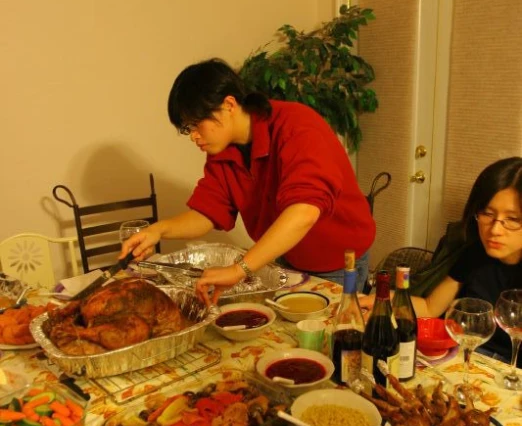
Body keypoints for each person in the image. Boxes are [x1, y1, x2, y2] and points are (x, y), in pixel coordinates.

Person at [122, 58, 375, 304]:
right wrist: (158, 230)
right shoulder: (222, 152)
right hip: (290, 257)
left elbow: (304, 212)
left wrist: (239, 269)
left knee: (333, 339)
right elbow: (207, 212)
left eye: (196, 124)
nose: (194, 136)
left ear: (229, 105)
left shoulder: (297, 126)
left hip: (338, 260)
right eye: (188, 129)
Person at [360, 157, 522, 365]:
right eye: (487, 214)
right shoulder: (475, 252)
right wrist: (378, 301)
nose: (495, 230)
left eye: (513, 219)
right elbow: (430, 307)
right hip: (464, 357)